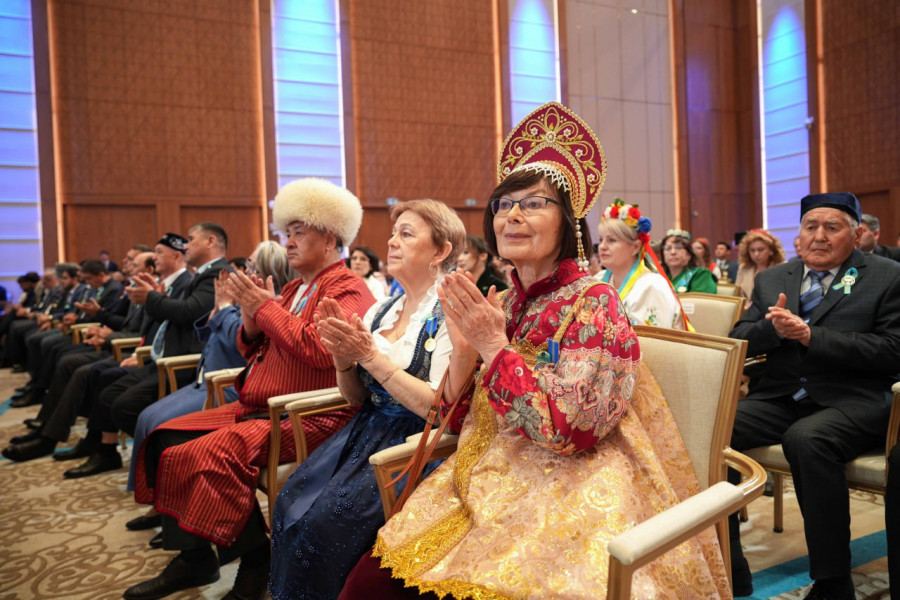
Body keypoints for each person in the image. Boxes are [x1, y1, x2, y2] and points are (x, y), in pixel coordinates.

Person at [339, 101, 729, 599]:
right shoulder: (507, 303)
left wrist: (493, 346)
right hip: (488, 480)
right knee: (367, 584)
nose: (513, 216)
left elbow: (570, 431)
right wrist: (464, 353)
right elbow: (458, 420)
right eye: (504, 205)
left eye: (534, 203)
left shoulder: (595, 303)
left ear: (569, 223)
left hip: (576, 487)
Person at [123, 178, 376, 600]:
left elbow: (318, 349)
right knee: (163, 436)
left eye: (299, 233)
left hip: (309, 415)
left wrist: (263, 307)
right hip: (257, 404)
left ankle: (256, 563)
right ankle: (196, 557)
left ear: (330, 238)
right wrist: (252, 320)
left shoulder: (347, 287)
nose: (288, 243)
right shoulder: (295, 288)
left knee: (204, 454)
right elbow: (253, 347)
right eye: (287, 233)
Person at [270, 199, 466, 599]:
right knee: (290, 498)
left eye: (406, 234)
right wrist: (344, 363)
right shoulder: (382, 309)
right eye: (393, 233)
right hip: (365, 431)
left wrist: (370, 358)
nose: (392, 242)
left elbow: (437, 408)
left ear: (441, 251)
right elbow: (356, 398)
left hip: (415, 446)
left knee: (326, 524)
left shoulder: (451, 312)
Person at [727, 192, 900, 599]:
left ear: (856, 235)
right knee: (714, 429)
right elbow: (738, 340)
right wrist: (772, 329)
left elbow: (893, 349)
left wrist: (811, 336)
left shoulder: (886, 275)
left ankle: (833, 580)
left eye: (832, 227)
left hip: (857, 397)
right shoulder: (774, 279)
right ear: (799, 236)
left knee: (807, 439)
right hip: (784, 395)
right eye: (811, 227)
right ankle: (727, 557)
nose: (820, 236)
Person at [596, 198, 687, 329]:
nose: (602, 246)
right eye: (601, 240)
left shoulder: (652, 286)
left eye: (611, 240)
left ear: (635, 247)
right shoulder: (599, 279)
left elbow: (655, 342)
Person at [734, 228, 786, 305]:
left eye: (761, 250)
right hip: (747, 312)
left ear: (771, 250)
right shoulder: (743, 268)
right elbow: (737, 295)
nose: (756, 254)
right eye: (752, 250)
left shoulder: (782, 267)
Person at [660, 229, 717, 293]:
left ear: (689, 255)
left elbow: (701, 302)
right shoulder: (660, 278)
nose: (673, 252)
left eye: (678, 247)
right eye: (668, 248)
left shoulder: (700, 275)